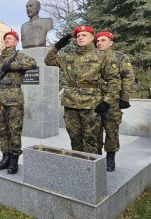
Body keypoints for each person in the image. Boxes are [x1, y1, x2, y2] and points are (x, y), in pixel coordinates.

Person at [44, 26, 120, 155]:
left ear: (92, 38)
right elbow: (49, 60)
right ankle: (78, 166)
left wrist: (107, 101)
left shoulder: (102, 56)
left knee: (92, 139)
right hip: (70, 102)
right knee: (74, 137)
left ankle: (93, 169)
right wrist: (57, 46)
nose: (80, 37)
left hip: (92, 104)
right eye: (78, 36)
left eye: (84, 35)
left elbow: (113, 80)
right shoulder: (69, 56)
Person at [0, 30, 37, 174]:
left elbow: (33, 63)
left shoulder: (20, 56)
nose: (7, 40)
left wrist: (12, 66)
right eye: (5, 38)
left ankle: (14, 160)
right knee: (2, 131)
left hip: (14, 100)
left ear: (16, 41)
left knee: (14, 131)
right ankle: (5, 157)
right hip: (0, 99)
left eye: (10, 38)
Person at [96, 31, 135, 171]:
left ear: (110, 42)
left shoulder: (120, 57)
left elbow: (128, 77)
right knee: (95, 131)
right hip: (94, 100)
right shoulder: (92, 57)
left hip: (112, 101)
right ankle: (97, 157)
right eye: (98, 40)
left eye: (103, 40)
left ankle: (110, 158)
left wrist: (125, 98)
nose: (99, 43)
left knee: (111, 130)